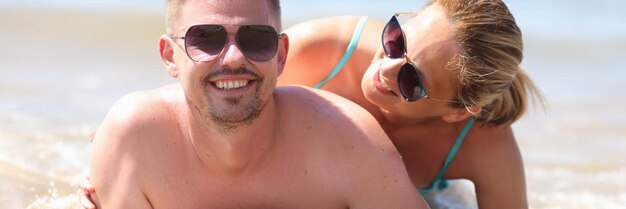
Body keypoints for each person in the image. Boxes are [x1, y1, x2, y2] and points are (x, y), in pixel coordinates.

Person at [85, 0, 429, 208]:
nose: (233, 57)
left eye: (256, 38)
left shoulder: (352, 143)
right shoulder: (133, 145)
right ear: (169, 56)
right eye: (205, 38)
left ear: (280, 56)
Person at [280, 0, 541, 208]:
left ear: (459, 112)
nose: (386, 67)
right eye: (397, 40)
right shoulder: (323, 50)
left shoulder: (483, 144)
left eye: (411, 78)